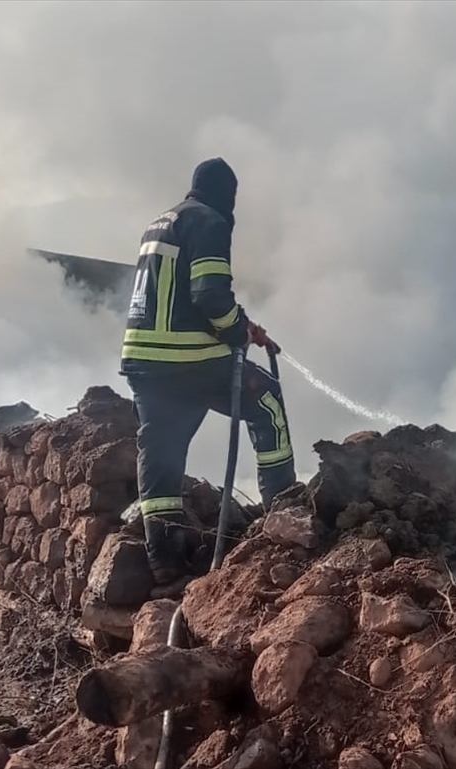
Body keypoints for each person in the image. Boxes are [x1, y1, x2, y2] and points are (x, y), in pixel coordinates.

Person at [119, 157, 297, 586]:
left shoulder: (161, 222)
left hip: (145, 360)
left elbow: (184, 294)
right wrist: (236, 331)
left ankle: (164, 556)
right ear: (226, 194)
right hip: (189, 360)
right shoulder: (210, 223)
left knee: (161, 451)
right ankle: (284, 512)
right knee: (267, 400)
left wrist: (245, 328)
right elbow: (210, 296)